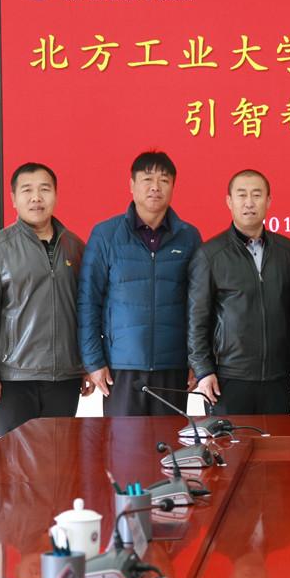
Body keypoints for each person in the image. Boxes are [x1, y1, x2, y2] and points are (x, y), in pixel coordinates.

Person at [77, 151, 202, 416]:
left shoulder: (189, 237)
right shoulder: (106, 235)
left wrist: (197, 360)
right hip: (121, 367)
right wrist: (93, 361)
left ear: (173, 187)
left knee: (169, 442)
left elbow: (199, 305)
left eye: (164, 180)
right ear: (132, 185)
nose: (155, 187)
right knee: (123, 441)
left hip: (173, 365)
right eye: (147, 179)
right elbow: (88, 301)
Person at [0, 162, 89, 438]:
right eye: (27, 190)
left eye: (44, 189)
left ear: (55, 195)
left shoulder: (75, 247)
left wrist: (86, 364)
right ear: (13, 198)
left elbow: (84, 312)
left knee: (60, 457)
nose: (36, 197)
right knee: (13, 459)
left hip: (64, 378)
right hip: (14, 378)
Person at [188, 169, 290, 415]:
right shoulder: (210, 254)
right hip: (228, 377)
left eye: (257, 195)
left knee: (276, 440)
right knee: (229, 441)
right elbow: (197, 319)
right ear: (229, 201)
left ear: (268, 201)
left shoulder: (287, 251)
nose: (249, 202)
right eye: (242, 195)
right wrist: (203, 371)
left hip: (278, 377)